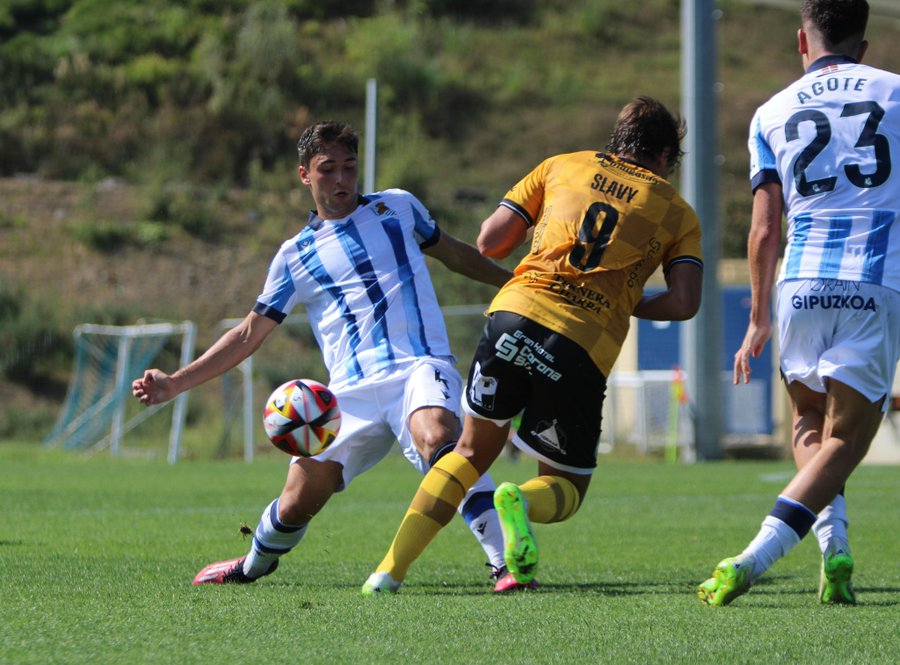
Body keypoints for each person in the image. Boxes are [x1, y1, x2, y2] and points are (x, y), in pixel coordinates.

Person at [132, 120, 528, 592]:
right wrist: (175, 382)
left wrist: (517, 286)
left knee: (439, 437)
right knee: (299, 498)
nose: (341, 180)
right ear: (305, 175)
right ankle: (253, 565)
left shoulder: (397, 207)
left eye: (349, 167)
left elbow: (458, 255)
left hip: (418, 366)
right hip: (347, 397)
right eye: (328, 170)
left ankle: (506, 564)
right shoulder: (294, 256)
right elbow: (246, 335)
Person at [361, 96, 704, 594]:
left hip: (514, 316)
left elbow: (491, 242)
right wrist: (621, 297)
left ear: (617, 140)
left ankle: (388, 572)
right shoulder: (677, 212)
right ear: (666, 157)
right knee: (567, 487)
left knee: (469, 452)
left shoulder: (561, 165)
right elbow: (683, 302)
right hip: (583, 343)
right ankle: (519, 501)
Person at [698, 0, 900, 606]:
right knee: (848, 440)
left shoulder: (771, 110)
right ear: (863, 45)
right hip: (873, 278)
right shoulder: (895, 91)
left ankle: (834, 550)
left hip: (798, 283)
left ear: (800, 41)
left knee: (808, 421)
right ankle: (754, 557)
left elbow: (763, 229)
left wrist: (758, 317)